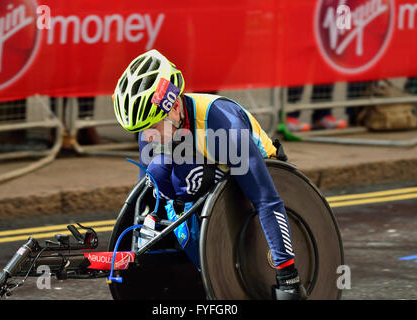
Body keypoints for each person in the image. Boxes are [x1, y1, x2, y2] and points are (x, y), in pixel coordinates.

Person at [112, 49, 307, 300]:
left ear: (172, 106)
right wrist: (146, 225)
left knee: (186, 178)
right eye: (140, 131)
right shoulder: (153, 133)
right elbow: (149, 188)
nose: (147, 137)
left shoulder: (223, 124)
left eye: (151, 126)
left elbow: (267, 200)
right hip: (202, 176)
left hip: (255, 174)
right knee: (159, 170)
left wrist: (287, 276)